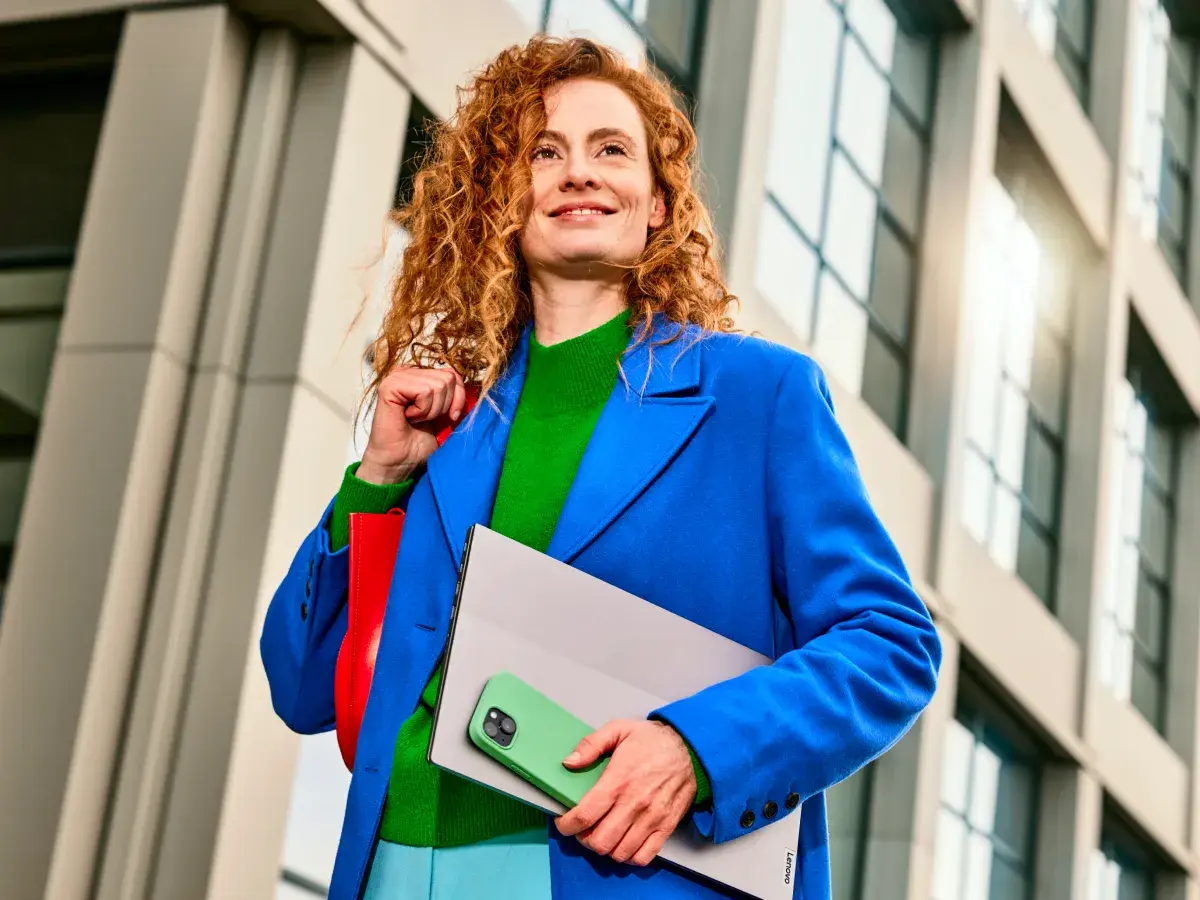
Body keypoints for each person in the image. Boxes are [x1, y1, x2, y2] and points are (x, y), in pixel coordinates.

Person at [260, 35, 941, 900]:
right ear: (504, 198)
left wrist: (697, 750)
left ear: (658, 202)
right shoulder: (450, 426)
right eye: (545, 153)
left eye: (610, 150)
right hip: (394, 866)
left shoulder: (757, 396)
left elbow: (891, 642)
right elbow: (300, 685)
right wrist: (379, 478)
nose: (578, 172)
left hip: (614, 870)